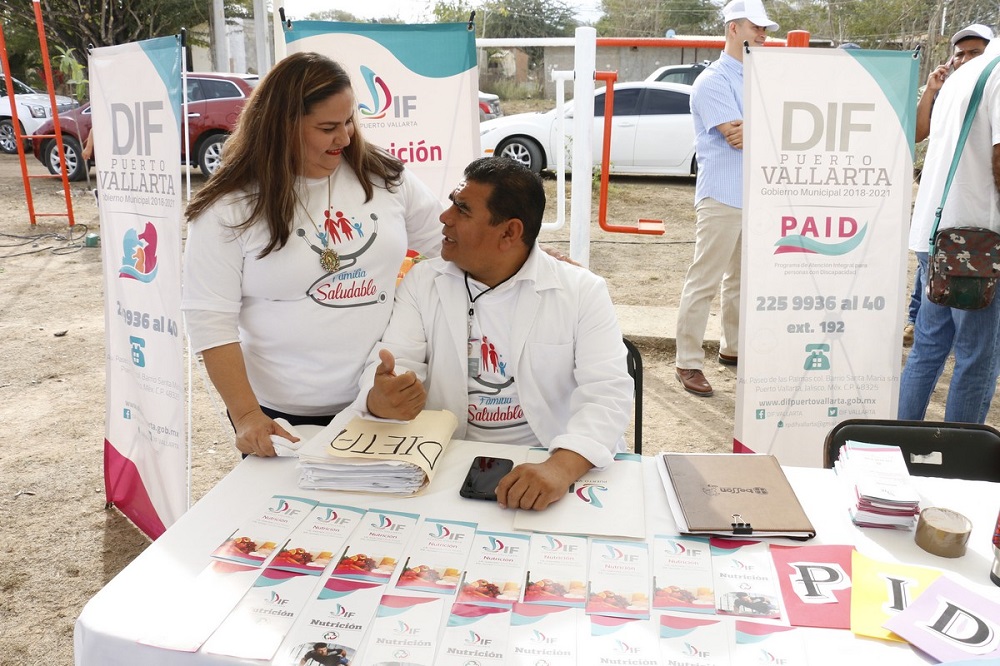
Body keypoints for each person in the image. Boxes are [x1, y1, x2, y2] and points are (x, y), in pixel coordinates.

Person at [181, 52, 443, 457]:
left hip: (379, 405)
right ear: (281, 126)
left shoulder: (385, 177)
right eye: (327, 128)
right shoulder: (229, 207)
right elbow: (210, 321)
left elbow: (448, 243)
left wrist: (533, 262)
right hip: (279, 418)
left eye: (349, 121)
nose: (346, 138)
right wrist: (246, 414)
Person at [355, 157, 633, 511]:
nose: (444, 217)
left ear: (509, 233)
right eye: (452, 203)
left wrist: (561, 467)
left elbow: (607, 394)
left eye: (462, 209)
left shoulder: (581, 291)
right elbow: (394, 366)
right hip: (450, 461)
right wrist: (379, 400)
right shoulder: (422, 283)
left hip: (553, 456)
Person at [673, 0, 778, 397]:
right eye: (756, 27)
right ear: (734, 28)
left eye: (765, 29)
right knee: (705, 279)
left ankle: (732, 349)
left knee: (741, 281)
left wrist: (760, 129)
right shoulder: (713, 81)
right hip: (722, 195)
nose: (763, 34)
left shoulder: (759, 76)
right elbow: (736, 136)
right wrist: (770, 129)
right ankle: (687, 361)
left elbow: (757, 132)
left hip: (753, 195)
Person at [898, 37, 1000, 424]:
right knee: (977, 358)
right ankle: (962, 454)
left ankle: (901, 440)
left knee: (928, 347)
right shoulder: (993, 72)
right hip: (976, 244)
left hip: (937, 233)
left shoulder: (964, 76)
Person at [905, 24, 993, 346]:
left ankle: (921, 325)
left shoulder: (990, 87)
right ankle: (915, 321)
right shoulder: (947, 90)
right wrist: (931, 91)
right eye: (960, 54)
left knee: (937, 332)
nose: (965, 59)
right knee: (929, 287)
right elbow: (917, 133)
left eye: (975, 53)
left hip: (964, 219)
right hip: (939, 216)